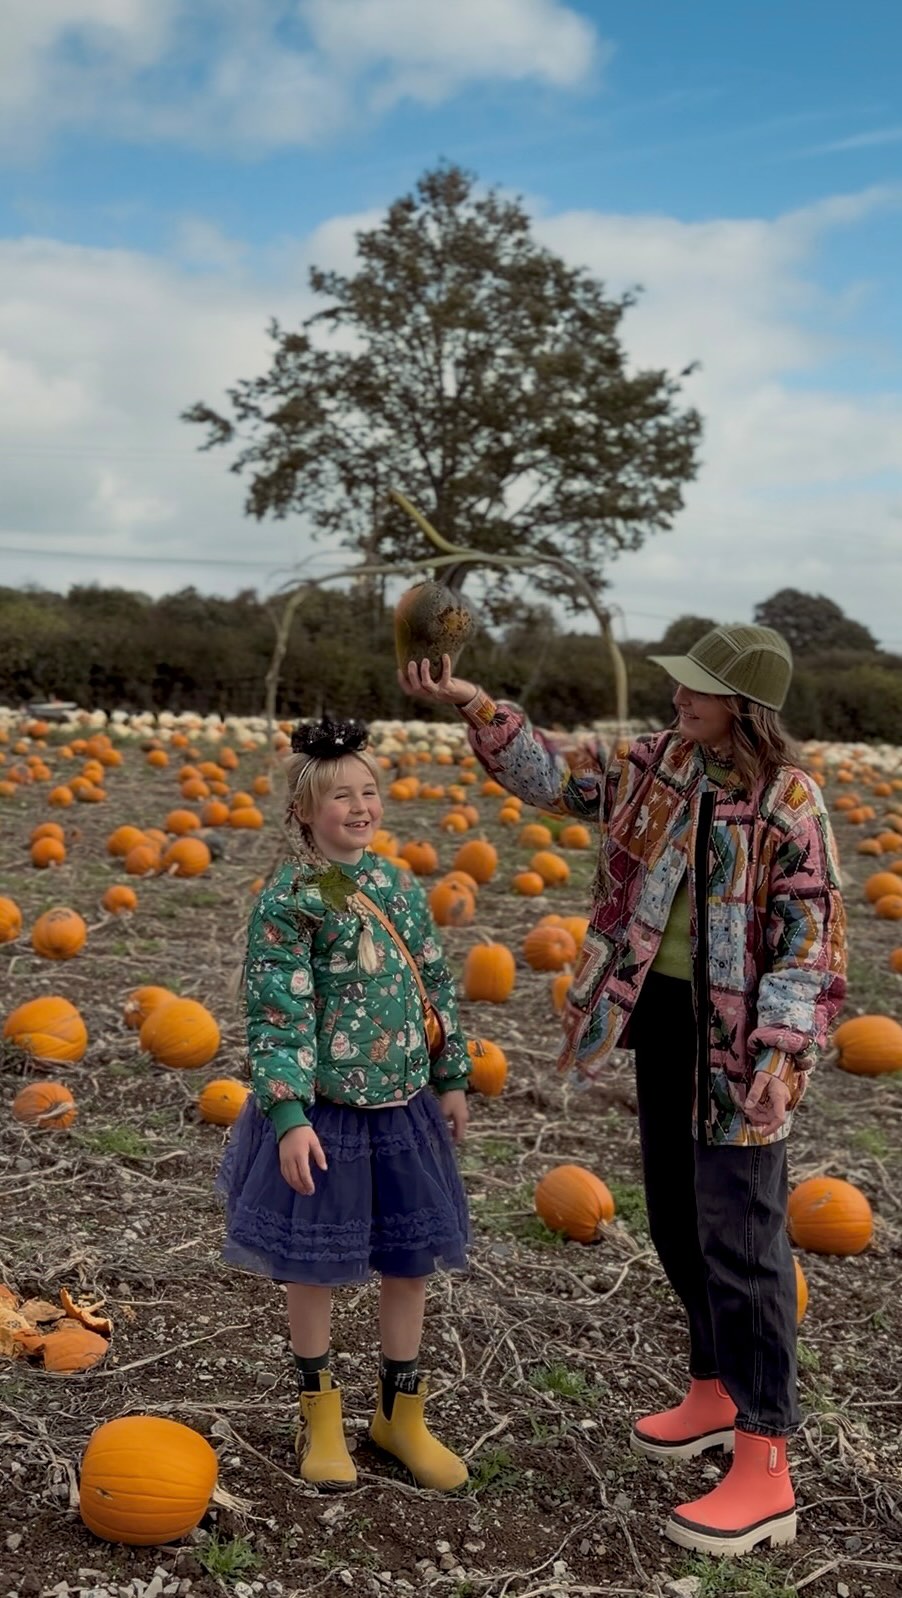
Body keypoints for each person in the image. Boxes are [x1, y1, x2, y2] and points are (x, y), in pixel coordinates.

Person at [401, 623, 846, 1557]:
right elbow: (560, 779)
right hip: (663, 1017)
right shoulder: (662, 763)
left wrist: (779, 1055)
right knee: (678, 1217)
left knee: (748, 1243)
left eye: (699, 690)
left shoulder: (787, 801)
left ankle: (767, 1464)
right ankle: (713, 1390)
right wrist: (479, 710)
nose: (678, 699)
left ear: (746, 709)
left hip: (744, 1042)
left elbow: (811, 940)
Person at [218, 715, 471, 1492]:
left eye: (369, 792)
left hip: (403, 1107)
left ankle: (401, 1415)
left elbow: (434, 978)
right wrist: (287, 1114)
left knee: (409, 1263)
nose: (360, 807)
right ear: (304, 811)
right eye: (340, 797)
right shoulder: (293, 900)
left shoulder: (395, 883)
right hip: (325, 1113)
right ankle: (319, 1414)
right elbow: (279, 1011)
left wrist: (451, 1072)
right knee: (313, 1266)